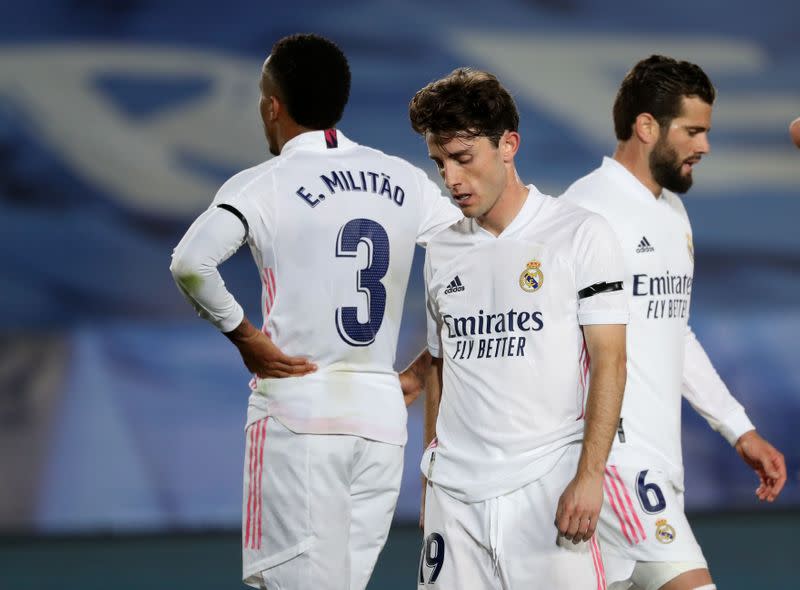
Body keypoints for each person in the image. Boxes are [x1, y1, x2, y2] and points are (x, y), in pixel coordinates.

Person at [169, 34, 460, 590]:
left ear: (272, 106)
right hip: (379, 424)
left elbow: (190, 263)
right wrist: (426, 364)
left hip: (298, 417)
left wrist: (245, 336)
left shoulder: (262, 184)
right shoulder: (403, 180)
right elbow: (473, 267)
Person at [561, 54, 787, 590]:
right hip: (613, 463)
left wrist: (738, 428)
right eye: (693, 131)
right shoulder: (585, 213)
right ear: (646, 126)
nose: (704, 146)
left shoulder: (670, 211)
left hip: (660, 463)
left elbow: (672, 330)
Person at [406, 67, 629, 589]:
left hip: (547, 486)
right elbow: (441, 367)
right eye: (440, 164)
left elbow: (611, 361)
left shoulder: (579, 234)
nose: (452, 180)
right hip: (455, 497)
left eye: (463, 159)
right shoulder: (440, 249)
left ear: (508, 145)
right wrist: (428, 476)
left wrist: (590, 476)